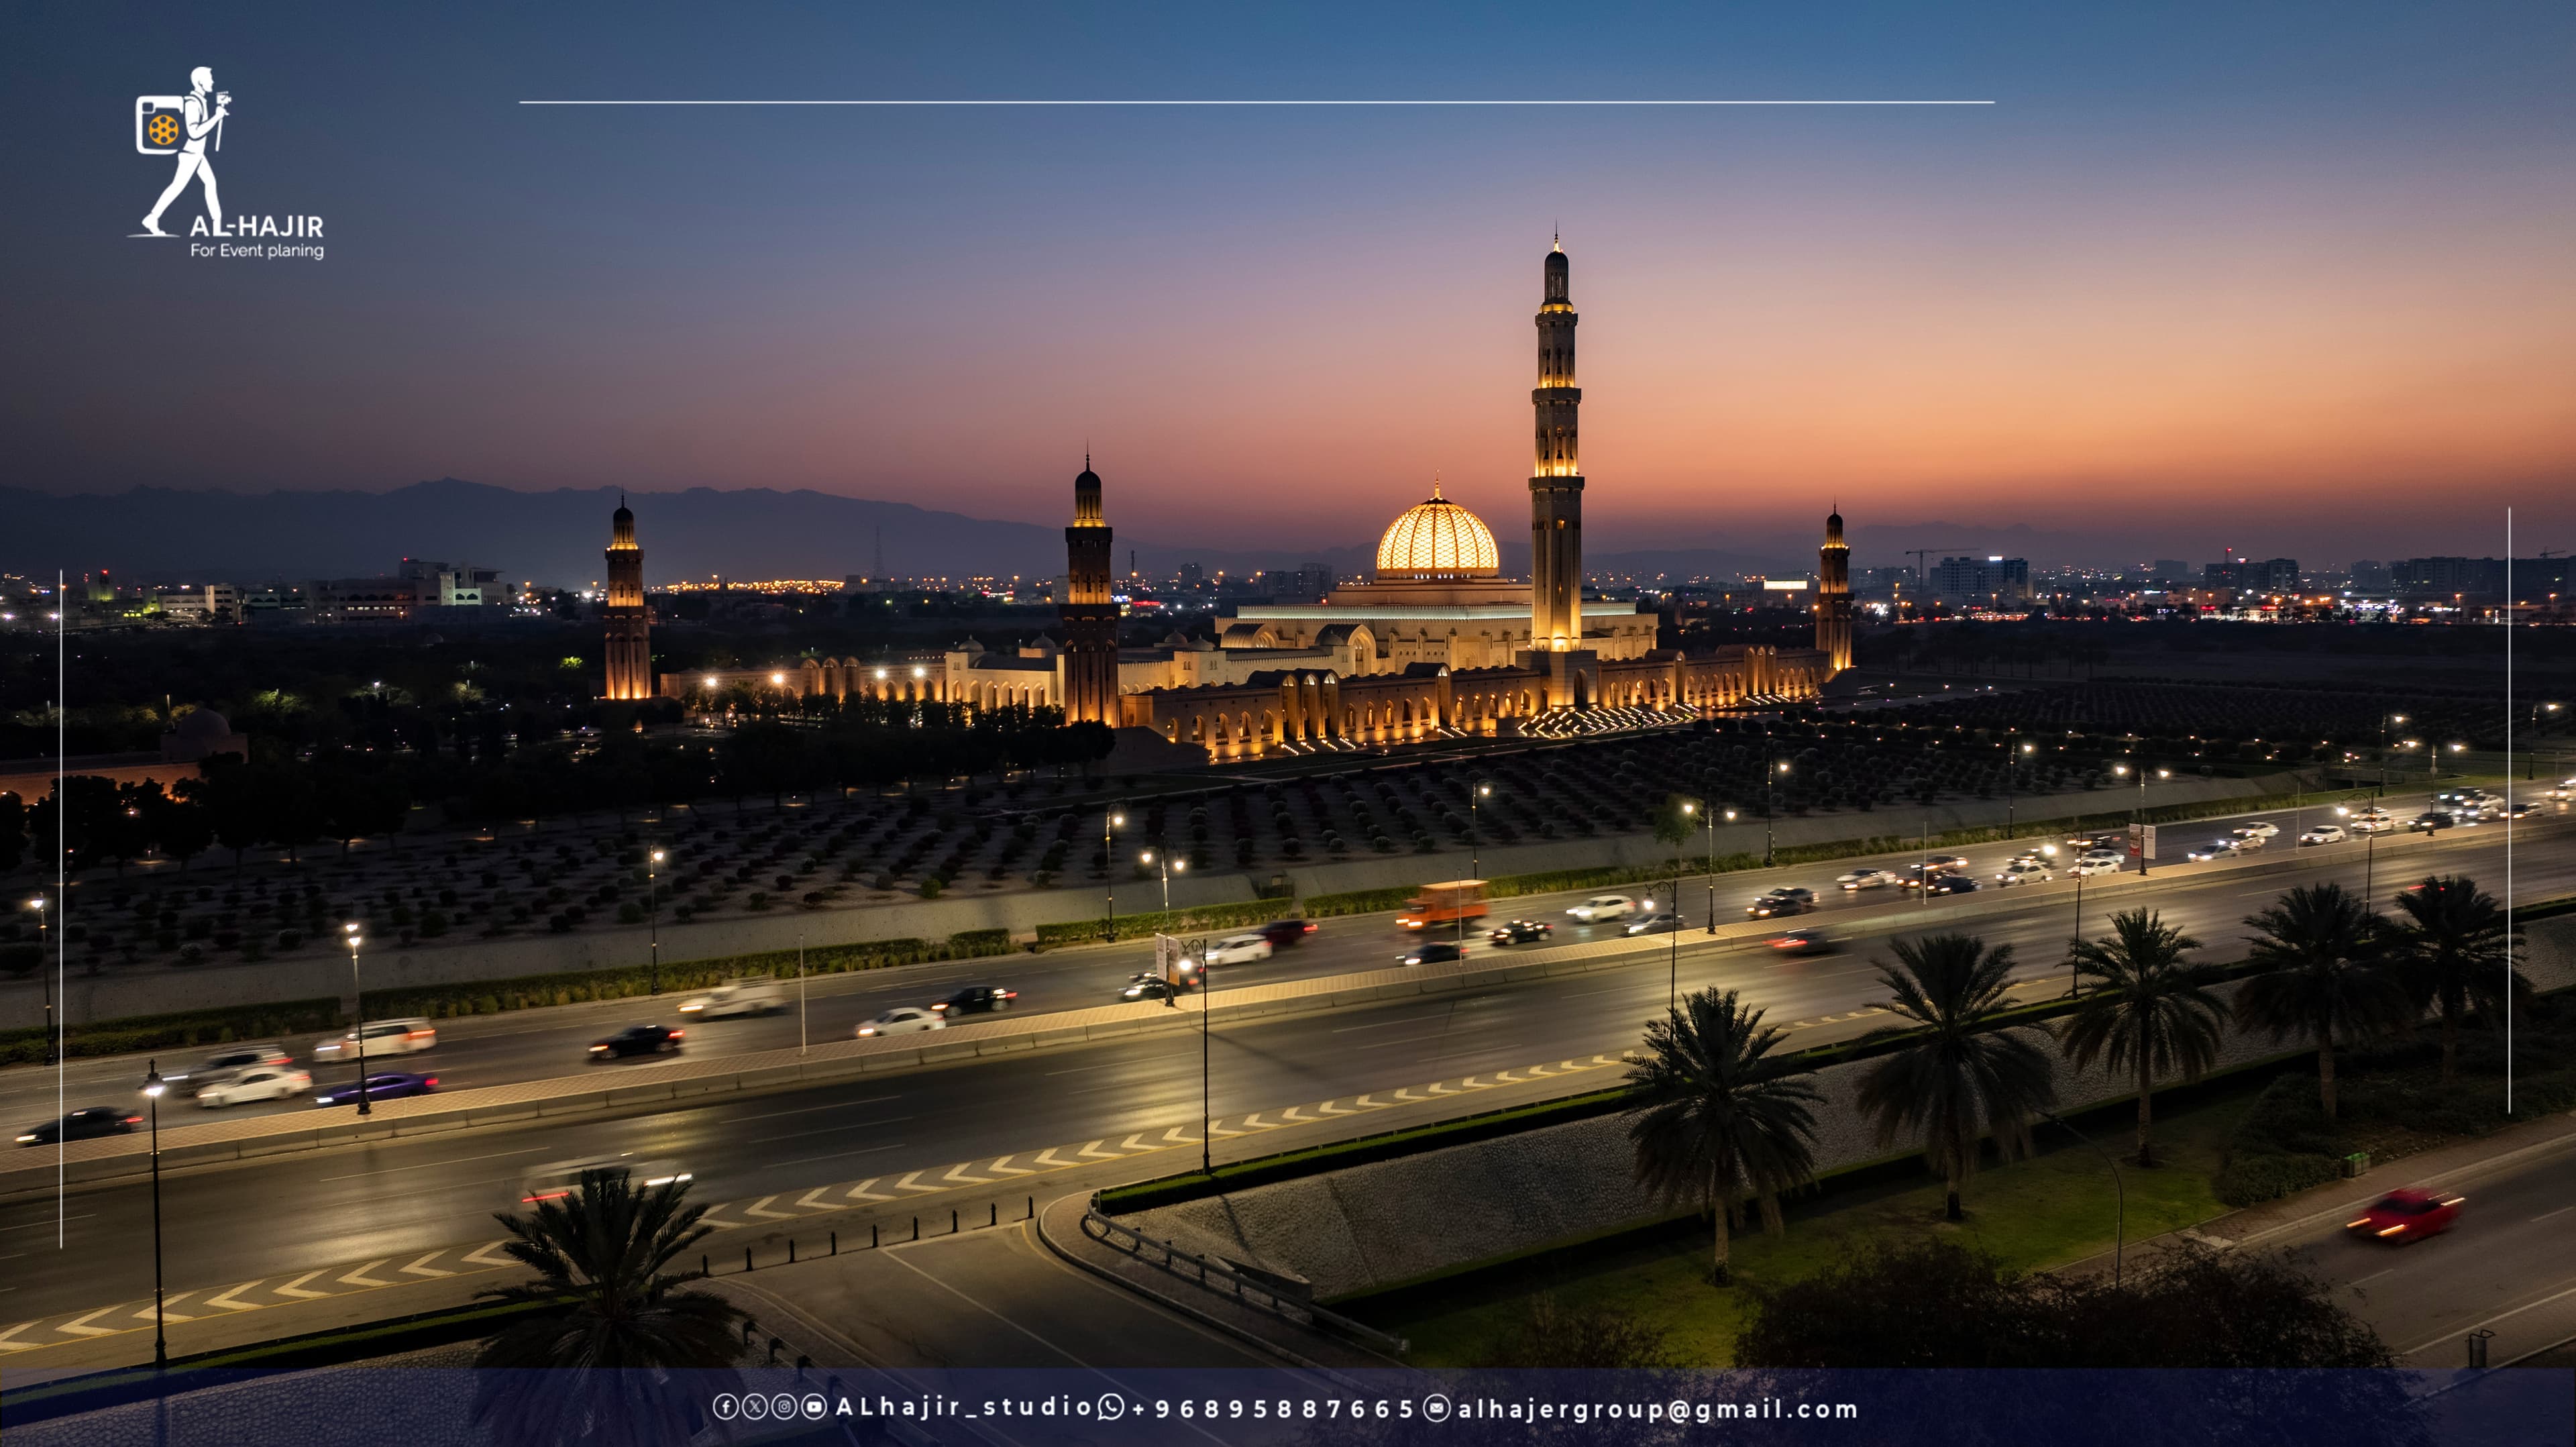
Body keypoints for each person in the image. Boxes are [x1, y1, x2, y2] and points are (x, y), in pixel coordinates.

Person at [141, 67, 227, 237]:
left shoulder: (201, 101)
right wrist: (216, 118)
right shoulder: (192, 103)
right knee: (177, 187)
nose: (213, 82)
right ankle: (152, 217)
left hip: (198, 155)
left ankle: (217, 228)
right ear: (200, 82)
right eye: (210, 78)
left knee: (210, 183)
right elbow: (194, 132)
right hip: (190, 154)